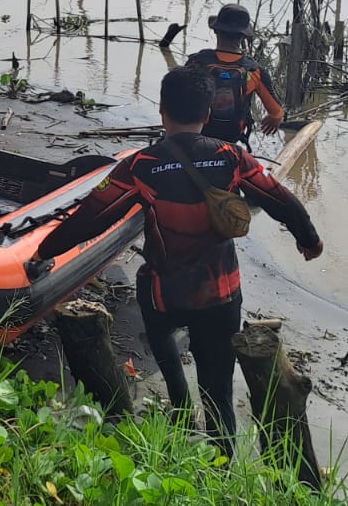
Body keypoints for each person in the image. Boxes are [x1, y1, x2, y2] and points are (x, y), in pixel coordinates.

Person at [30, 66, 323, 455]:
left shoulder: (139, 166)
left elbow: (92, 216)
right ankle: (224, 458)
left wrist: (44, 250)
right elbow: (277, 197)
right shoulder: (231, 156)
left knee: (161, 335)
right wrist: (309, 239)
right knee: (217, 386)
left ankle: (180, 404)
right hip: (220, 293)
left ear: (162, 109)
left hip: (164, 292)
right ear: (206, 115)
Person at [186, 4, 284, 145]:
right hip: (231, 140)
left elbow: (177, 99)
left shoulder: (196, 63)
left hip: (197, 136)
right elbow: (277, 112)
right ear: (243, 37)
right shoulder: (254, 70)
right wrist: (274, 120)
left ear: (216, 31)